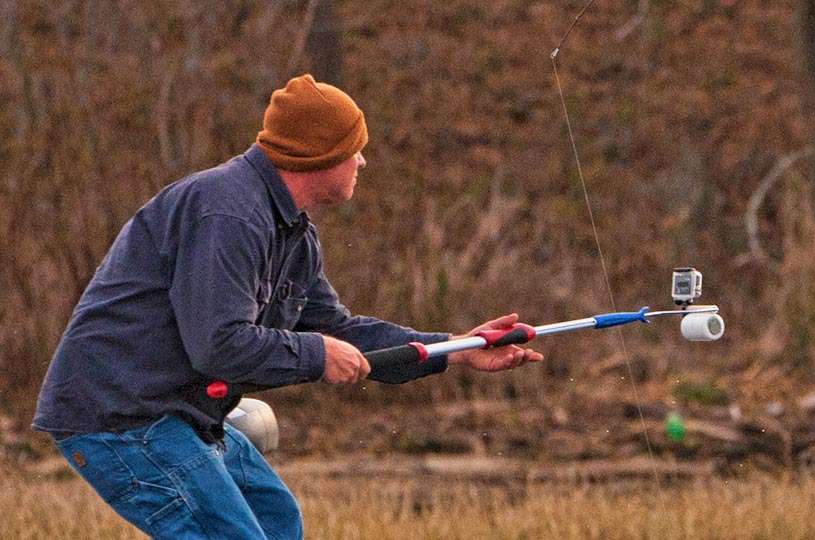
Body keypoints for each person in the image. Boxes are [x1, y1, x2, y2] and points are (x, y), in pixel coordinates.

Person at [32, 74, 543, 539]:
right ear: (318, 155)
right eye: (355, 149)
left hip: (178, 414)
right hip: (120, 415)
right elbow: (220, 345)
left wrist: (456, 349)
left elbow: (343, 331)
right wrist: (317, 354)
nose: (363, 161)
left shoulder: (294, 235)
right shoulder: (228, 214)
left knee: (278, 522)